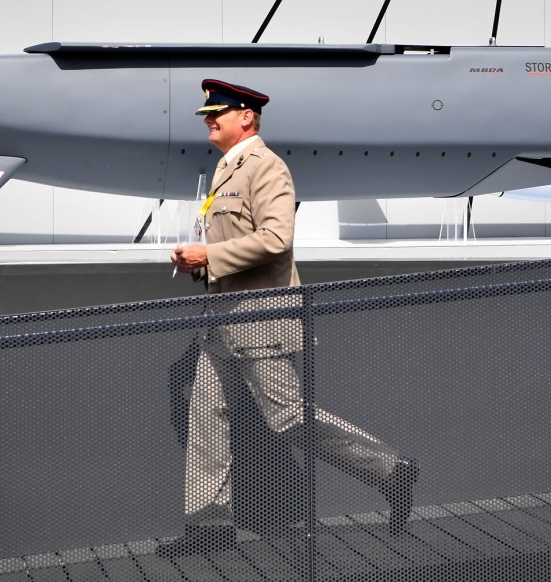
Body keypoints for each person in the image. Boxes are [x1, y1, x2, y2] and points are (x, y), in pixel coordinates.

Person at [160, 79, 418, 558]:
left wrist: (209, 254)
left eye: (217, 112)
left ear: (247, 117)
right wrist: (197, 263)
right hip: (221, 319)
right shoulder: (225, 168)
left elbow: (277, 239)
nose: (208, 119)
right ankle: (211, 525)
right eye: (206, 113)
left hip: (260, 320)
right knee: (206, 421)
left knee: (287, 417)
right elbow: (228, 242)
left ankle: (390, 469)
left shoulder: (267, 168)